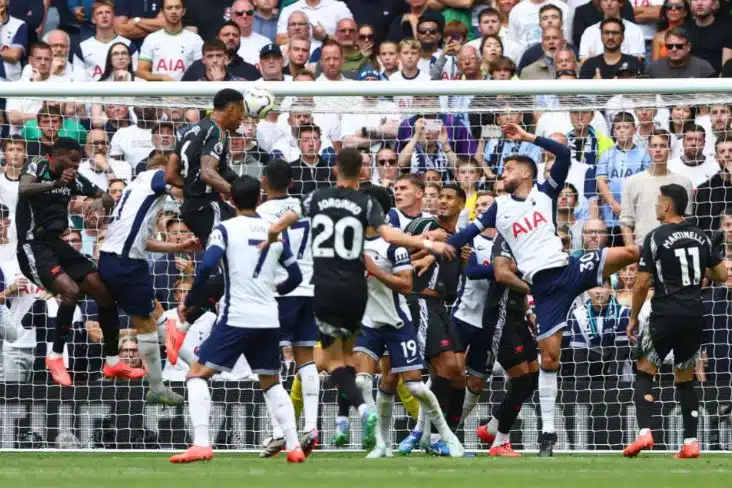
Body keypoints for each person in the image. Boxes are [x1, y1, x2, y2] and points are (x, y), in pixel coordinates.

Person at [441, 123, 640, 457]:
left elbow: (563, 153)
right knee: (549, 359)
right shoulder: (499, 208)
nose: (502, 173)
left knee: (634, 252)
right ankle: (547, 434)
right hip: (545, 288)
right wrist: (439, 245)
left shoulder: (544, 193)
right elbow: (466, 235)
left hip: (571, 268)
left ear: (526, 173)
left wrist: (528, 137)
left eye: (508, 168)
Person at [263, 148, 453, 454]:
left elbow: (280, 224)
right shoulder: (365, 203)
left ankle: (359, 411)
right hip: (354, 289)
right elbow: (390, 236)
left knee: (329, 362)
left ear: (335, 167)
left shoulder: (317, 198)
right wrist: (424, 242)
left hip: (323, 288)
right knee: (349, 359)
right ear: (360, 171)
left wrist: (271, 237)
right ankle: (360, 413)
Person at [169, 175, 306, 464]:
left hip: (237, 317)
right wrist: (274, 290)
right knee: (271, 381)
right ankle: (294, 446)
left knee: (196, 375)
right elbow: (295, 277)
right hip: (269, 318)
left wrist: (191, 299)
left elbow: (207, 266)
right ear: (259, 199)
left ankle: (202, 443)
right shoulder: (274, 231)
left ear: (230, 200)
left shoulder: (225, 229)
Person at [15, 138, 145, 386]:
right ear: (57, 155)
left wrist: (98, 201)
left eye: (78, 161)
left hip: (57, 244)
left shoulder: (73, 179)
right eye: (72, 160)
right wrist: (54, 183)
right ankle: (54, 358)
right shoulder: (38, 165)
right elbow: (23, 189)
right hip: (33, 245)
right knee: (71, 291)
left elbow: (107, 197)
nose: (76, 165)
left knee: (104, 292)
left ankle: (112, 361)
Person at [354, 185, 464, 458]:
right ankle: (380, 443)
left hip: (397, 321)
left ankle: (446, 437)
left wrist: (373, 269)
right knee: (362, 382)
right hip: (368, 322)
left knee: (414, 384)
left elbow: (405, 284)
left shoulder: (394, 246)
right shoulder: (351, 242)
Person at [624, 183, 727, 459]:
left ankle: (645, 432)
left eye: (658, 202)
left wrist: (633, 317)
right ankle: (691, 442)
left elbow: (642, 282)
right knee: (685, 376)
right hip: (694, 314)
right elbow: (720, 274)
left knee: (645, 371)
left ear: (667, 206)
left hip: (664, 314)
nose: (656, 206)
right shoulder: (702, 236)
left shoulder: (656, 236)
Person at [99, 155, 199, 406]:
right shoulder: (151, 177)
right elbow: (172, 182)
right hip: (126, 263)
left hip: (119, 258)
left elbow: (143, 241)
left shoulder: (138, 192)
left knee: (156, 310)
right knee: (146, 325)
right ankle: (156, 387)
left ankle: (195, 365)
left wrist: (177, 246)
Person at [164, 89, 244, 353]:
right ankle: (185, 318)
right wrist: (237, 194)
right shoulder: (218, 132)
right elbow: (209, 173)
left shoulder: (188, 130)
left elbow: (170, 174)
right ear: (231, 109)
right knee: (233, 271)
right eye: (241, 111)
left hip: (192, 207)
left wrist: (190, 190)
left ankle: (189, 325)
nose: (242, 119)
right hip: (209, 206)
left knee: (234, 270)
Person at [256, 159, 320, 457]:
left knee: (271, 364)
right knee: (306, 358)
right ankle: (311, 426)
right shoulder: (304, 206)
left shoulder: (260, 214)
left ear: (264, 182)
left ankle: (279, 432)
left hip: (280, 291)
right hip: (309, 287)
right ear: (292, 183)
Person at [398, 184, 467, 455]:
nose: (443, 202)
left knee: (458, 372)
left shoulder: (459, 238)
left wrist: (462, 256)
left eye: (449, 198)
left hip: (442, 306)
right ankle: (425, 435)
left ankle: (431, 437)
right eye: (441, 197)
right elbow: (397, 253)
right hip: (420, 301)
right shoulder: (425, 225)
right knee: (445, 368)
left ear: (462, 205)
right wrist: (427, 250)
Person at [474, 233, 540, 456]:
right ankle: (499, 443)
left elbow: (518, 274)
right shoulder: (504, 239)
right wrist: (531, 288)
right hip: (499, 318)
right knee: (521, 380)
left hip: (517, 317)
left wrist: (528, 310)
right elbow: (503, 274)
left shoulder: (528, 241)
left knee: (533, 377)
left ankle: (492, 427)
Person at [136, 0, 203, 82]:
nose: (174, 11)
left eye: (177, 7)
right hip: (158, 93)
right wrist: (162, 77)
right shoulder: (151, 39)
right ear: (162, 12)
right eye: (169, 8)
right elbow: (141, 71)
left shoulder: (196, 40)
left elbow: (201, 70)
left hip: (186, 93)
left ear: (183, 11)